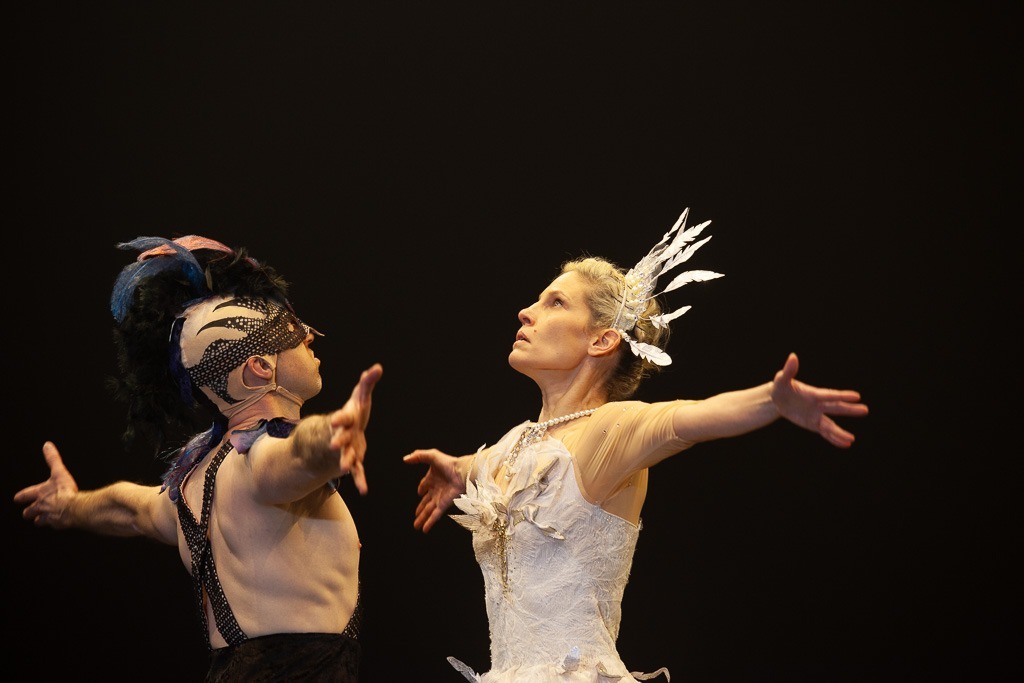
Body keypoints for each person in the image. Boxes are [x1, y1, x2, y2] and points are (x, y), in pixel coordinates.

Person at [404, 208, 869, 682]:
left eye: (555, 303)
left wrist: (770, 400)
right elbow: (480, 463)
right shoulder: (515, 442)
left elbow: (683, 420)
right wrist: (456, 470)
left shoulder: (607, 430)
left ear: (602, 340)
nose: (527, 311)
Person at [15, 235, 382, 682]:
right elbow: (291, 458)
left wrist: (70, 505)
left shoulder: (192, 485)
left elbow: (129, 509)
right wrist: (330, 438)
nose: (309, 336)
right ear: (259, 367)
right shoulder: (257, 460)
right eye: (293, 331)